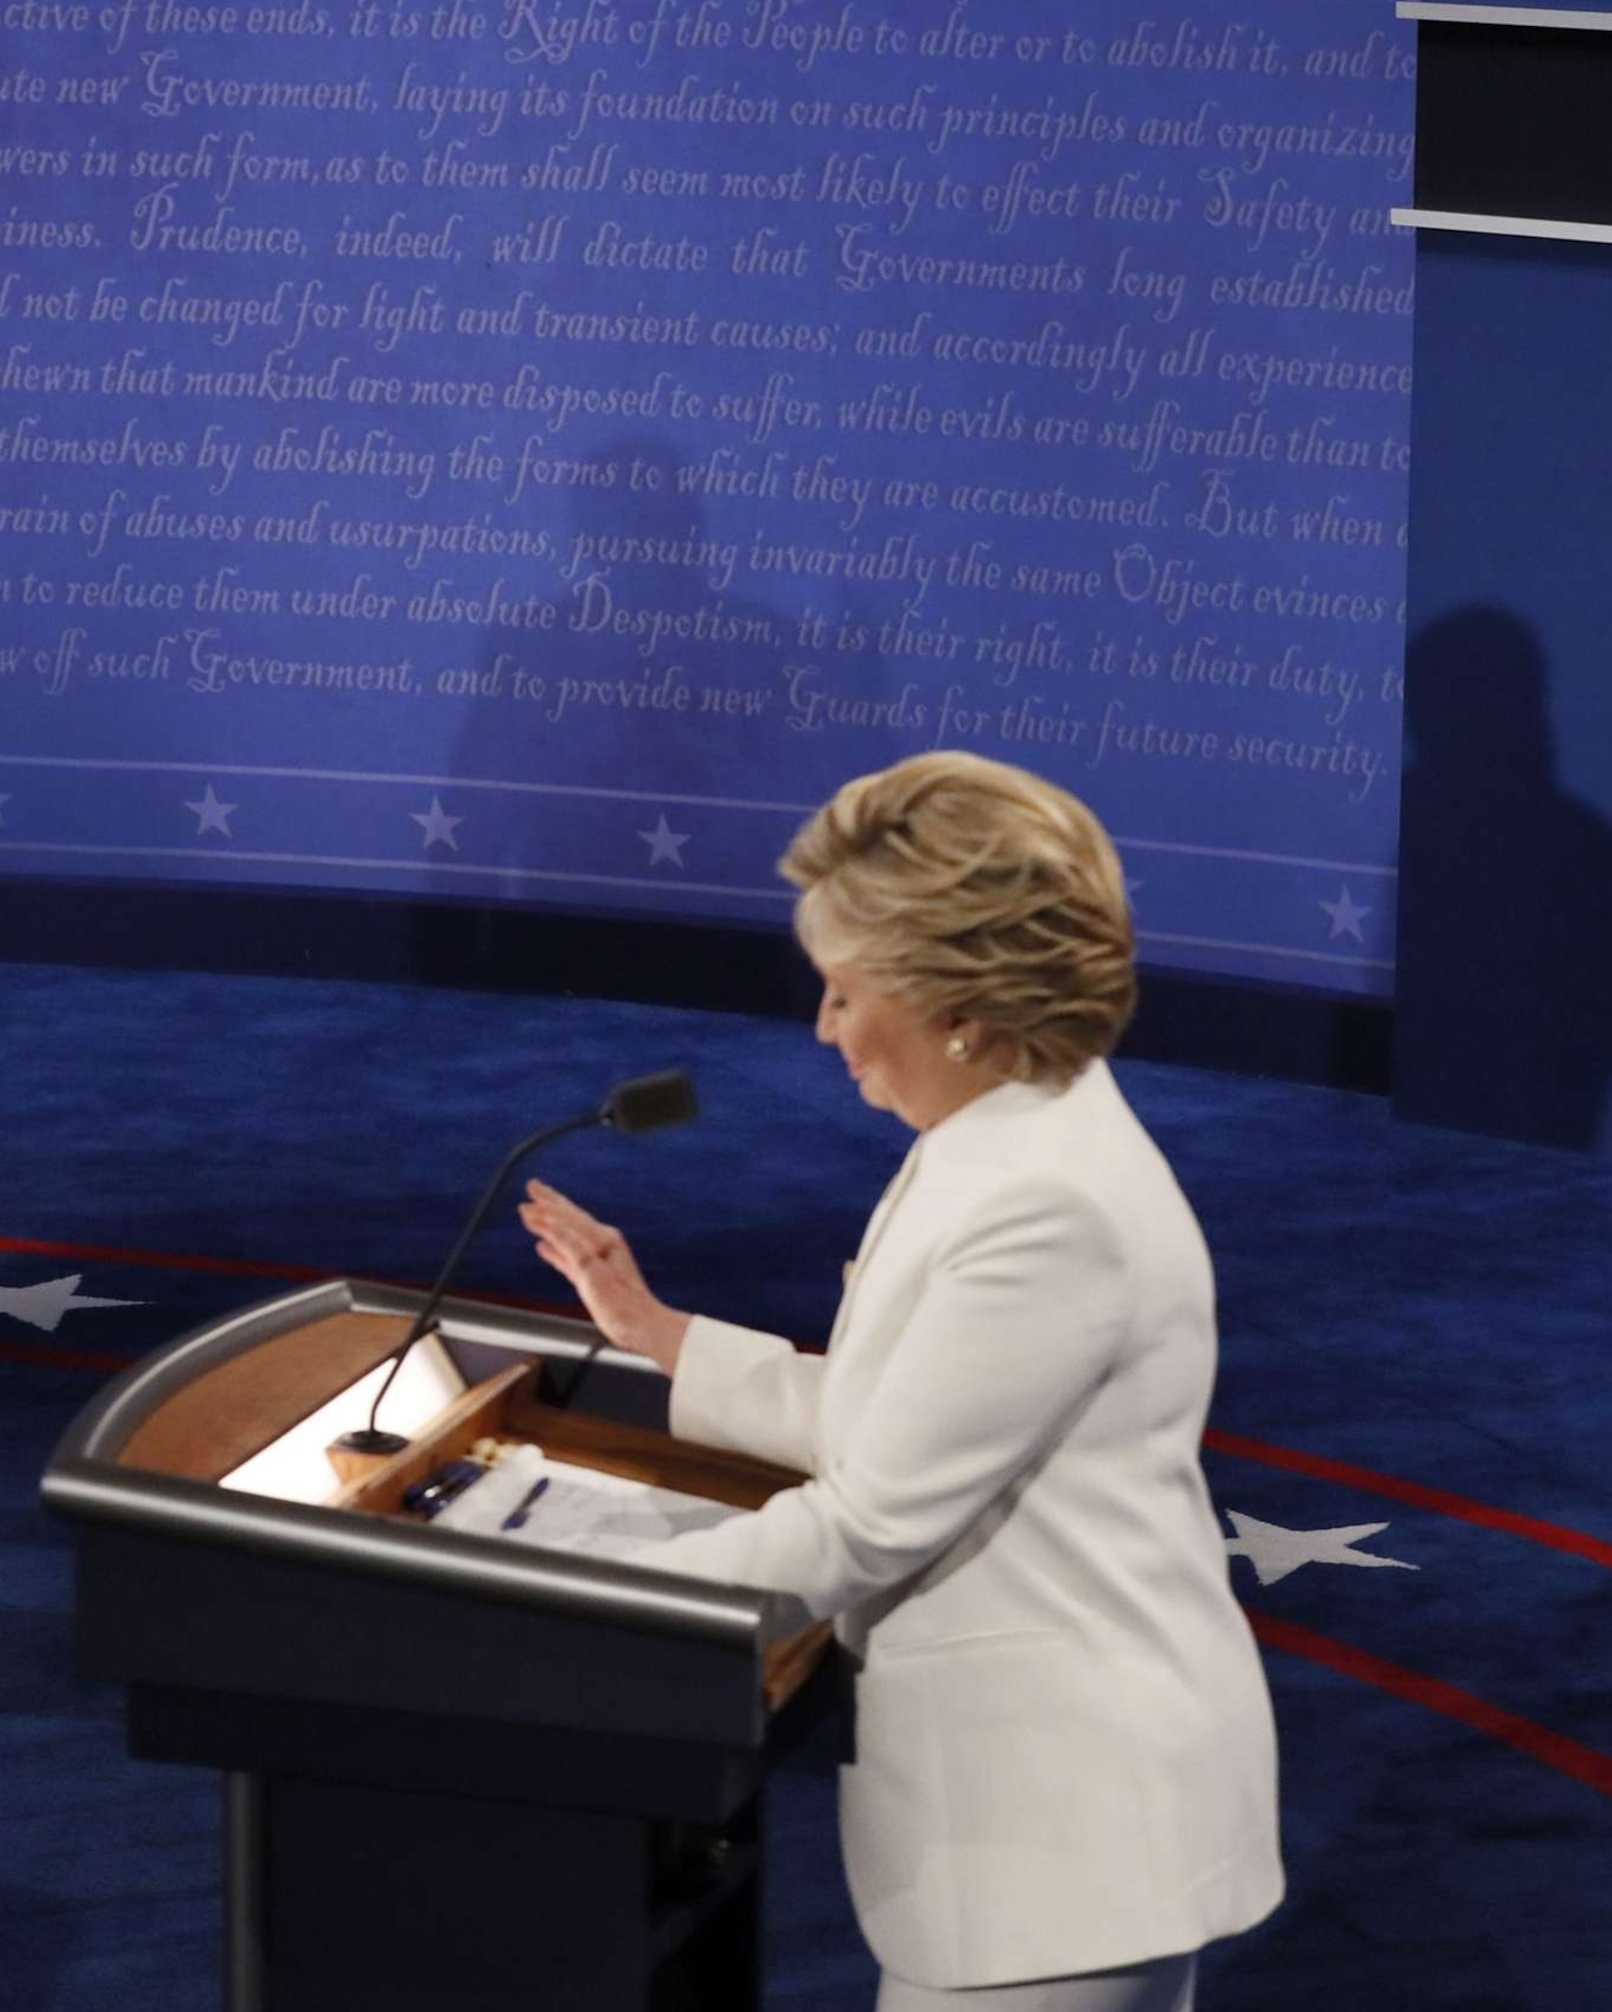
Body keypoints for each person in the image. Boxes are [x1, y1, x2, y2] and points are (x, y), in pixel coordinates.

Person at [520, 751, 1282, 2012]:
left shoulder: (1043, 1198)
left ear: (957, 1002)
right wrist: (664, 1336)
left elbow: (871, 1515)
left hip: (1067, 1845)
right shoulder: (1011, 1128)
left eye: (841, 990)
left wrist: (548, 1591)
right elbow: (911, 1422)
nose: (823, 1028)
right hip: (1045, 1831)